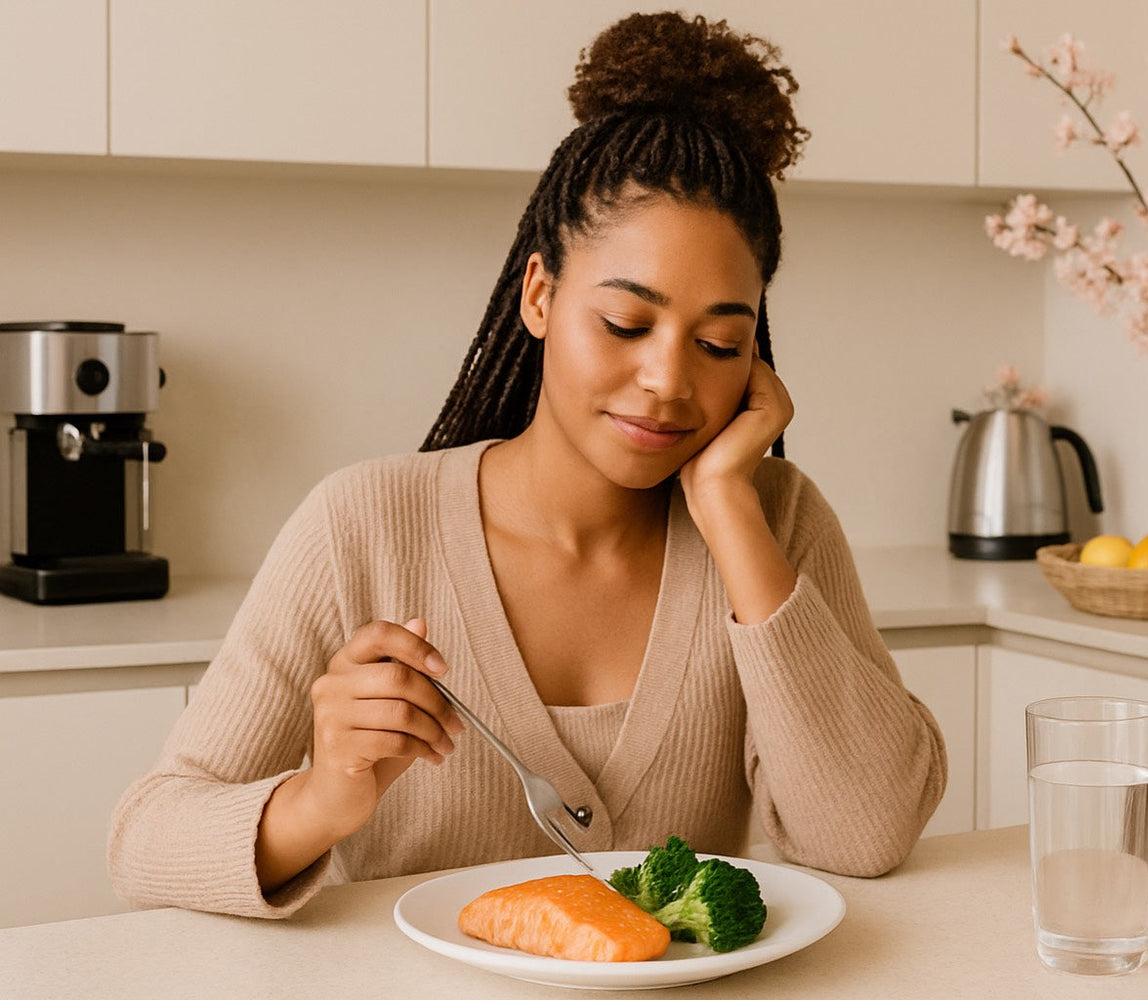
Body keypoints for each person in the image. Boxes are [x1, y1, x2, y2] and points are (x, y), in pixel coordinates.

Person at [108, 11, 946, 919]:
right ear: (541, 295)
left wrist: (729, 510)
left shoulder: (775, 520)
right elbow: (145, 841)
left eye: (717, 342)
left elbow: (865, 837)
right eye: (625, 324)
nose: (668, 381)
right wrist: (320, 800)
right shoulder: (363, 525)